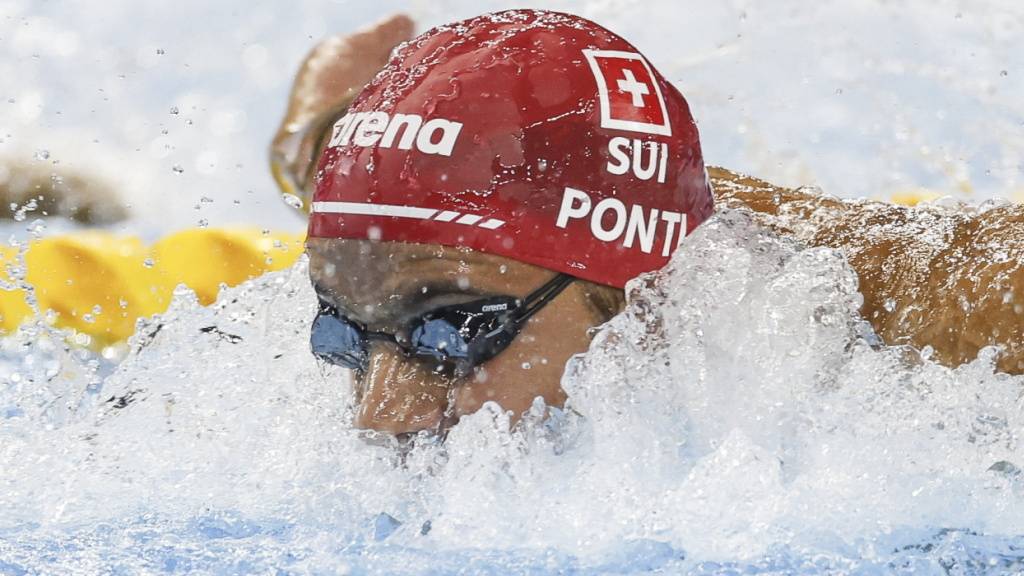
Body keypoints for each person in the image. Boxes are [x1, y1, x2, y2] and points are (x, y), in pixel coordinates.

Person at [272, 10, 1024, 438]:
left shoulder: (956, 327)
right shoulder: (414, 255)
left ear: (649, 294)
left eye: (454, 331)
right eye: (339, 334)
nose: (382, 417)